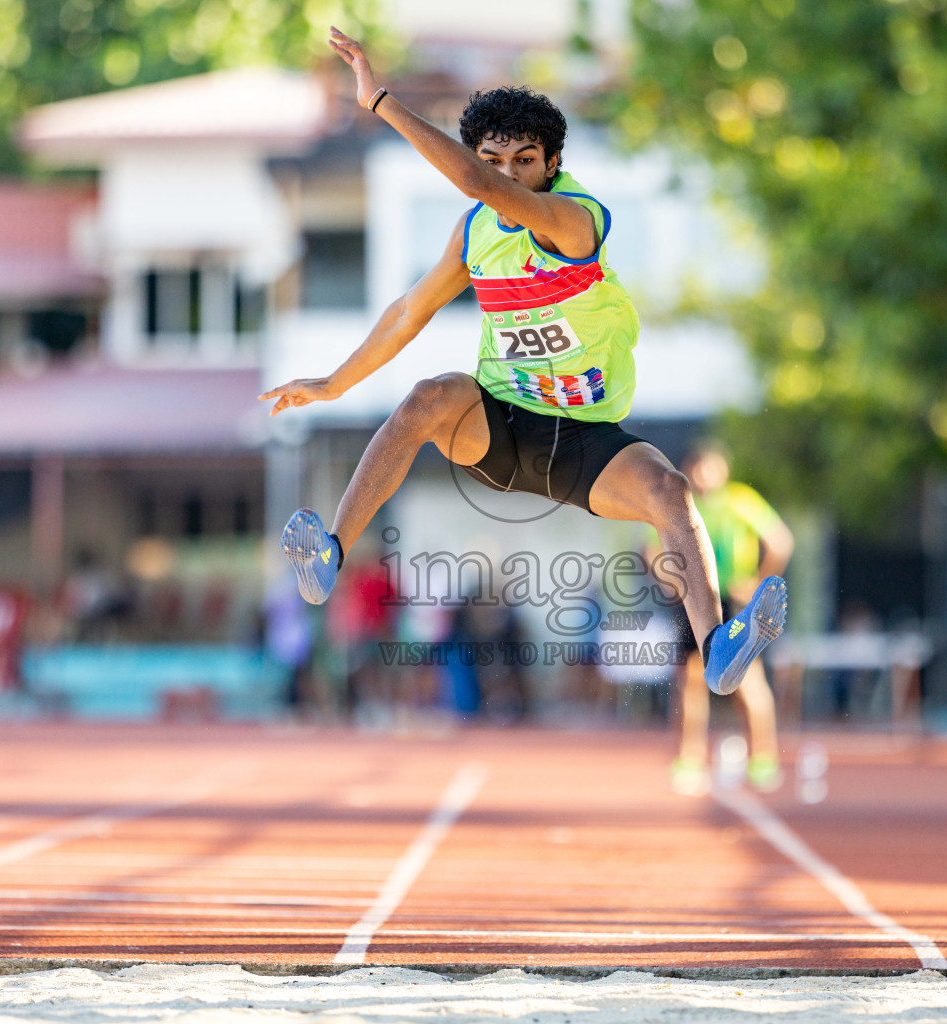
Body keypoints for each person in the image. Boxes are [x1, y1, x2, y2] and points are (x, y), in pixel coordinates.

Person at [259, 28, 787, 701]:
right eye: (494, 161)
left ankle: (718, 649)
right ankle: (329, 553)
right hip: (502, 429)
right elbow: (406, 314)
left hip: (586, 441)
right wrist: (332, 383)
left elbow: (477, 183)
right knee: (428, 395)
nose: (506, 178)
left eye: (524, 161)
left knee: (671, 492)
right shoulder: (474, 233)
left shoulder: (574, 220)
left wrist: (381, 101)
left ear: (554, 163)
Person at [666, 443, 793, 794]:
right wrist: (672, 582)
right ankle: (689, 761)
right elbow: (652, 548)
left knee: (748, 678)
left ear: (723, 470)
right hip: (693, 600)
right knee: (690, 679)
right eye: (699, 468)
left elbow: (780, 541)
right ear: (689, 469)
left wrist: (759, 583)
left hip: (733, 600)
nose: (705, 476)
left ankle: (763, 760)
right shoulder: (679, 504)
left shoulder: (741, 500)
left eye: (712, 468)